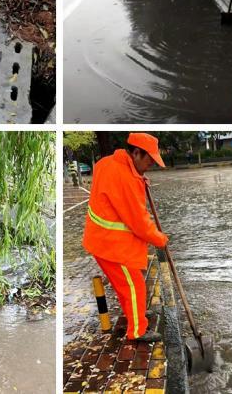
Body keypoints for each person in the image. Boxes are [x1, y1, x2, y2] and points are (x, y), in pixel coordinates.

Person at [82, 133, 169, 343]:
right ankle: (137, 330)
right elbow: (140, 223)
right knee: (135, 285)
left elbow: (116, 190)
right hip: (112, 246)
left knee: (125, 286)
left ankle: (134, 316)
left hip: (100, 241)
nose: (151, 165)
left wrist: (140, 178)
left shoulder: (106, 163)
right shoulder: (126, 179)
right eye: (149, 160)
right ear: (136, 153)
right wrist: (161, 239)